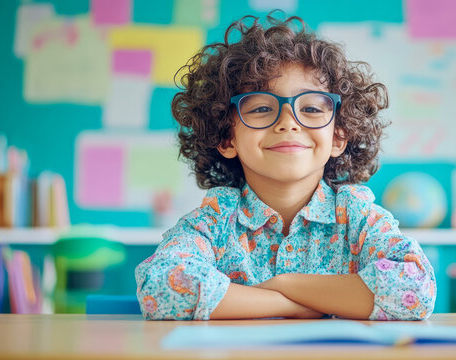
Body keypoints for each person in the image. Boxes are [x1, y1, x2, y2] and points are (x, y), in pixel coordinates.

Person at [135, 13, 436, 321]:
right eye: (262, 108)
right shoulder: (214, 223)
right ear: (227, 137)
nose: (288, 122)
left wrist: (285, 284)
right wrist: (291, 304)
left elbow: (416, 289)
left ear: (338, 135)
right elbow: (160, 286)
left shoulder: (357, 218)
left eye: (311, 108)